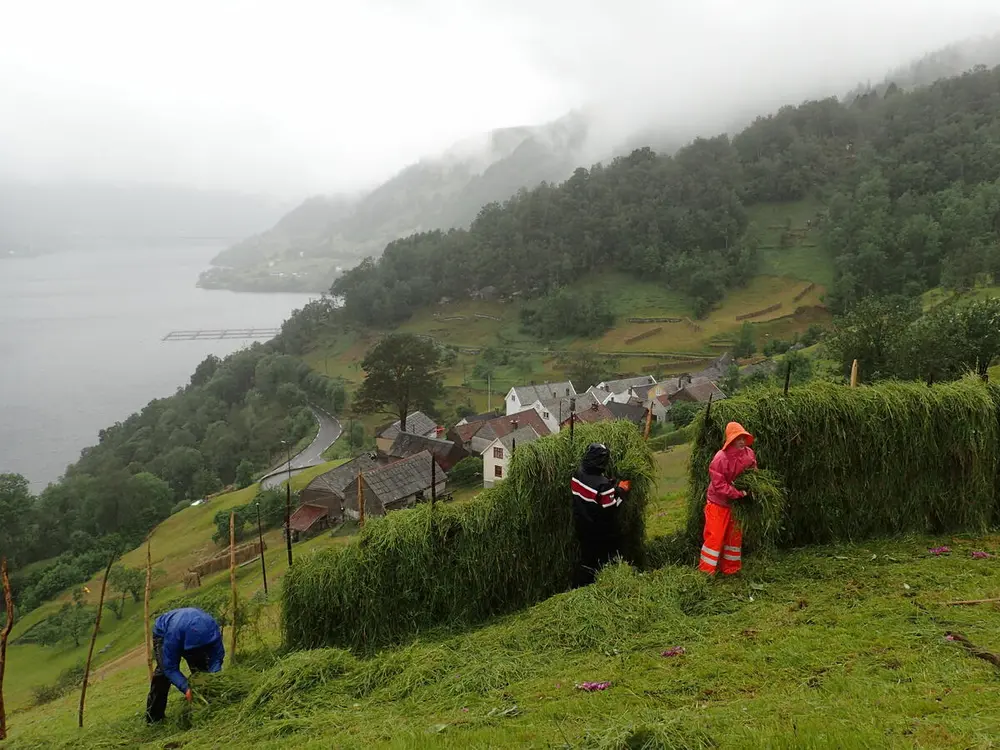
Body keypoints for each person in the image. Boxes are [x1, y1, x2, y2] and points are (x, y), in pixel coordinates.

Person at [146, 607, 225, 723]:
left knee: (201, 669)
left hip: (187, 630)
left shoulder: (212, 629)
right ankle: (155, 718)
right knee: (163, 674)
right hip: (164, 634)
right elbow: (170, 668)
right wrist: (186, 688)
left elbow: (217, 657)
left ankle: (205, 705)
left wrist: (214, 675)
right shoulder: (173, 634)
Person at [699, 422, 757, 576]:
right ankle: (706, 572)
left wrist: (754, 488)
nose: (742, 442)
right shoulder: (720, 459)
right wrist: (739, 493)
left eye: (743, 438)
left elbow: (753, 473)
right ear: (730, 440)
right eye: (738, 438)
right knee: (715, 537)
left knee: (734, 537)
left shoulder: (749, 453)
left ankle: (731, 569)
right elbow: (719, 485)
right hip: (718, 503)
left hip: (735, 505)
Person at [570, 442, 632, 587]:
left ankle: (579, 584)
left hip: (581, 524)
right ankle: (594, 585)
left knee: (586, 558)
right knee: (601, 559)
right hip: (598, 530)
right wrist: (622, 490)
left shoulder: (577, 474)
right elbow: (611, 508)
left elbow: (590, 494)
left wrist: (610, 487)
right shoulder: (602, 485)